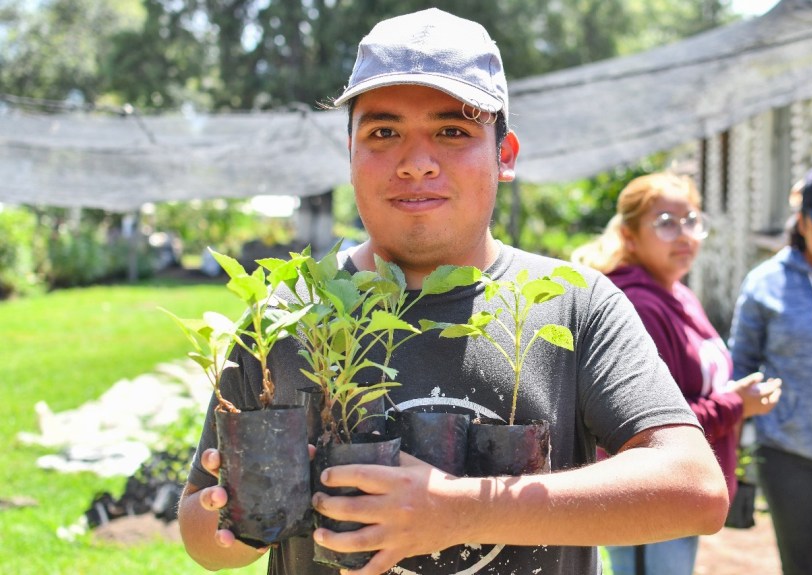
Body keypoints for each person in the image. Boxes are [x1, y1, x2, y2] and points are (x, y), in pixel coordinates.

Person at [177, 9, 730, 575]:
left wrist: (459, 511)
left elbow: (694, 488)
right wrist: (242, 516)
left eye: (452, 131)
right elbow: (199, 533)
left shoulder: (577, 303)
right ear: (350, 155)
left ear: (504, 155)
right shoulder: (291, 311)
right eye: (383, 133)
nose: (416, 164)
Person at [572, 172, 782, 575]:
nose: (684, 234)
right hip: (651, 492)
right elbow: (656, 424)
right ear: (630, 237)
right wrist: (737, 405)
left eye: (692, 221)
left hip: (680, 489)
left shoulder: (676, 292)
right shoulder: (638, 305)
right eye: (666, 223)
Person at [728, 161, 812, 575]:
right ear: (802, 222)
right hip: (786, 450)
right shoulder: (766, 283)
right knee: (799, 562)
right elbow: (743, 361)